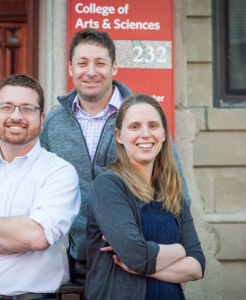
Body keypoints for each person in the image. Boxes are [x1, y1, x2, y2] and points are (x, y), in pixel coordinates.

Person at [39, 28, 191, 286]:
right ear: (70, 68)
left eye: (100, 63)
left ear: (114, 67)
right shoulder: (54, 124)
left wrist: (174, 248)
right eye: (82, 63)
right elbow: (41, 189)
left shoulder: (140, 117)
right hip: (79, 262)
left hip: (142, 258)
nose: (91, 71)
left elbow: (173, 185)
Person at [0, 74, 81, 299]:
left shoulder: (59, 172)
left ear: (41, 118)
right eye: (7, 107)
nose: (16, 116)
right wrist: (17, 240)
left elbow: (36, 237)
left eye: (27, 108)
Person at [85, 94, 205, 300]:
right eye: (134, 127)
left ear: (164, 134)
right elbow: (137, 257)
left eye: (153, 125)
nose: (145, 134)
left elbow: (197, 266)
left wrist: (142, 265)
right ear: (119, 136)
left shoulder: (172, 189)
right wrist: (179, 249)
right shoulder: (109, 186)